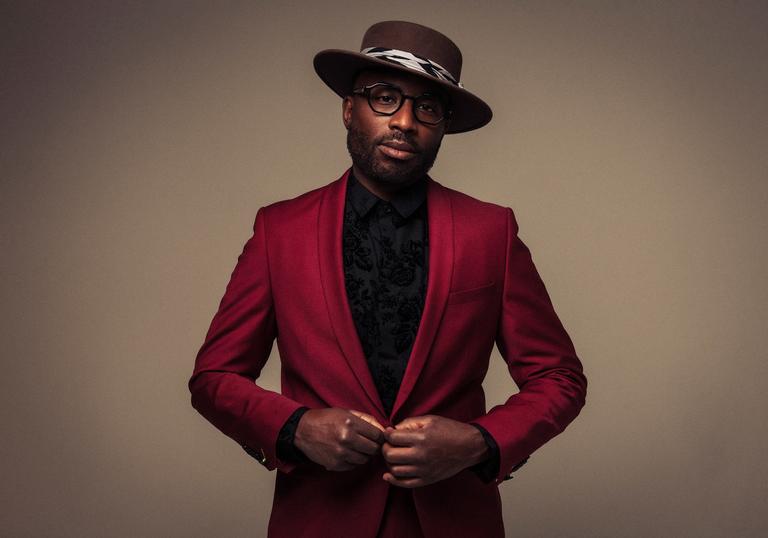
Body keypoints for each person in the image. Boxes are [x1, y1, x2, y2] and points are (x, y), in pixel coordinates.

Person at [189, 20, 587, 538]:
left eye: (426, 107)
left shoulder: (491, 231)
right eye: (384, 97)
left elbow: (559, 378)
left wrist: (479, 442)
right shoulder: (279, 230)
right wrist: (295, 428)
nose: (404, 121)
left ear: (443, 125)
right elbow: (213, 379)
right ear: (348, 108)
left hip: (452, 520)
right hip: (320, 518)